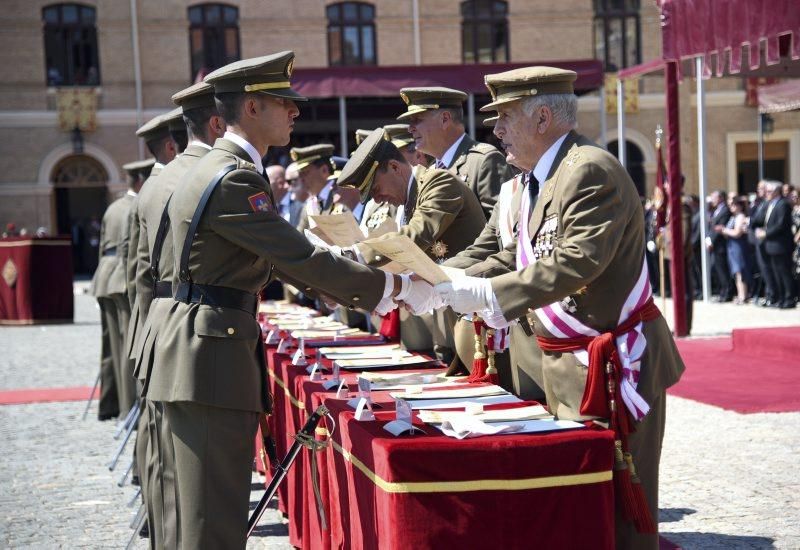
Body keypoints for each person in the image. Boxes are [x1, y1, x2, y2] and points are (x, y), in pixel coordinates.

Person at [148, 51, 433, 549]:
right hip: (208, 356)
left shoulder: (218, 166)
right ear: (253, 107)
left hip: (194, 350)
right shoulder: (235, 176)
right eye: (285, 103)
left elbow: (278, 260)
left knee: (192, 511)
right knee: (211, 520)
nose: (296, 112)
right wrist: (396, 289)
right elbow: (299, 259)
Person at [432, 66, 685, 549]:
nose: (496, 129)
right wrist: (443, 281)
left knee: (623, 513)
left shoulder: (588, 169)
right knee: (581, 505)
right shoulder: (537, 180)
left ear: (543, 117)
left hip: (614, 367)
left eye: (505, 117)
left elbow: (577, 261)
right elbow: (513, 253)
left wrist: (490, 295)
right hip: (570, 363)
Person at [131, 81, 225, 549]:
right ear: (218, 121)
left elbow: (143, 275)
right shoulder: (209, 174)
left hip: (160, 327)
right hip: (198, 327)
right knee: (200, 490)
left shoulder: (155, 183)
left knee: (167, 472)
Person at [332, 128, 486, 363]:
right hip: (443, 316)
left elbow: (414, 236)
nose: (378, 200)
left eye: (375, 189)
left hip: (477, 316)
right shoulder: (408, 198)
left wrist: (355, 255)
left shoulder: (437, 181)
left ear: (394, 167)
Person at [444, 113, 545, 399]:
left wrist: (456, 283)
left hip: (547, 329)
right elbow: (485, 246)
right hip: (509, 333)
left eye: (507, 121)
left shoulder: (558, 182)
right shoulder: (510, 189)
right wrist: (434, 276)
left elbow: (521, 252)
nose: (498, 132)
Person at [397, 86, 513, 219]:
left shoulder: (484, 161)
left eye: (417, 120)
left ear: (445, 119)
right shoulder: (431, 170)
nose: (410, 129)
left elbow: (501, 228)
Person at [756, 181, 796, 309]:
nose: (766, 193)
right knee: (777, 273)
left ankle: (789, 299)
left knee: (784, 273)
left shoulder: (783, 204)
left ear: (777, 191)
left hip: (781, 245)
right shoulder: (771, 204)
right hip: (772, 246)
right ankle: (781, 298)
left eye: (769, 191)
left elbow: (780, 225)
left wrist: (765, 234)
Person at [293, 144, 337, 231]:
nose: (301, 180)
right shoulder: (309, 205)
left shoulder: (342, 196)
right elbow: (299, 238)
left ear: (324, 171)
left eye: (305, 173)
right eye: (300, 175)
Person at [717, 196, 751, 304]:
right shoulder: (733, 217)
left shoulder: (740, 216)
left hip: (738, 245)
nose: (731, 207)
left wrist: (724, 230)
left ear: (740, 206)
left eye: (734, 205)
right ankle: (740, 294)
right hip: (731, 245)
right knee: (736, 272)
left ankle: (743, 295)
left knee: (740, 270)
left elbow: (737, 233)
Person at [707, 190, 732, 301]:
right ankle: (722, 291)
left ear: (721, 198)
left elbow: (720, 227)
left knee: (722, 270)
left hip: (720, 245)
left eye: (714, 197)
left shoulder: (725, 210)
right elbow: (713, 228)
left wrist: (711, 241)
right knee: (716, 269)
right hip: (714, 245)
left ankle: (727, 292)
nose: (712, 200)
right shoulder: (716, 210)